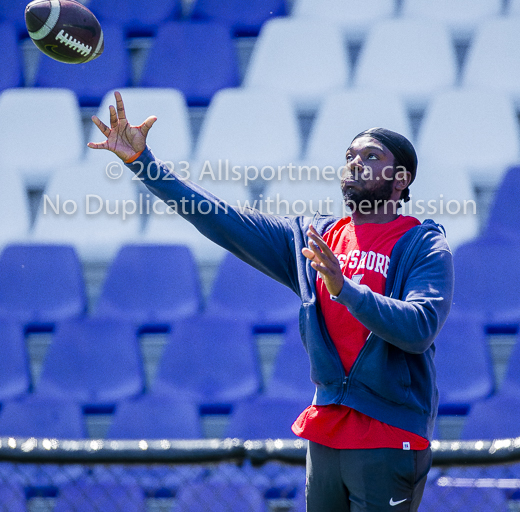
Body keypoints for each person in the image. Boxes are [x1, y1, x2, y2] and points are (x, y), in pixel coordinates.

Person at [88, 92, 454, 512]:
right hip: (327, 430)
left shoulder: (423, 244)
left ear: (401, 178)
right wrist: (144, 164)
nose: (356, 162)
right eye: (350, 154)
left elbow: (419, 328)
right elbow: (220, 216)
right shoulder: (311, 238)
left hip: (390, 433)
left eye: (371, 155)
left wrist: (344, 287)